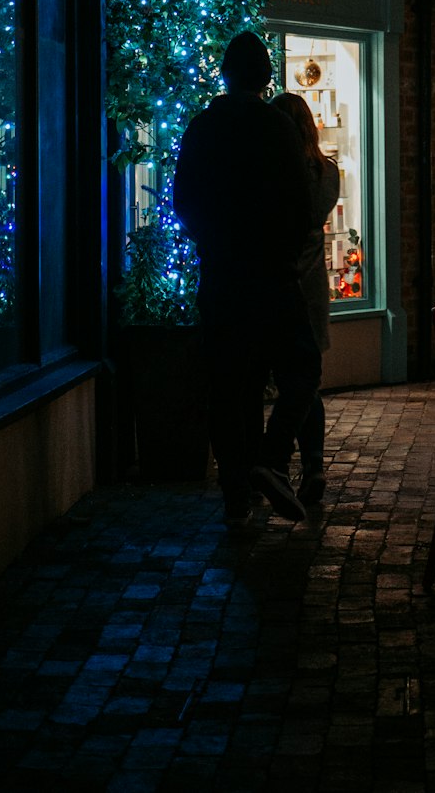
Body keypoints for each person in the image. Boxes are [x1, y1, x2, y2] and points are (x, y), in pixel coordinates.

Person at [173, 31, 321, 527]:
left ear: (224, 72)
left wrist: (213, 243)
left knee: (230, 387)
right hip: (273, 277)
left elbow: (184, 202)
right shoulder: (277, 128)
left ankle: (237, 494)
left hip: (221, 276)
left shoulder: (202, 127)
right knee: (301, 369)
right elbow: (303, 207)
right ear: (265, 77)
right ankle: (272, 459)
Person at [271, 93, 340, 505]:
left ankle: (273, 461)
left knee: (291, 381)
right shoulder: (325, 171)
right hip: (313, 288)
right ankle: (313, 464)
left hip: (278, 285)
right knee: (307, 381)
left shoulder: (279, 174)